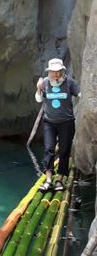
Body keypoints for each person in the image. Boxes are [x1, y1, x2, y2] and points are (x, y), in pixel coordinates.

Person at [35, 58, 81, 192]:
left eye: (57, 71)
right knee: (49, 148)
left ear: (62, 71)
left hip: (66, 123)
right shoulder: (44, 82)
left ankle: (60, 179)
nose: (55, 74)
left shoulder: (69, 82)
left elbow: (80, 94)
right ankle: (49, 180)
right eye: (53, 72)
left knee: (64, 150)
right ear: (49, 72)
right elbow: (39, 99)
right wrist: (39, 89)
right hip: (49, 122)